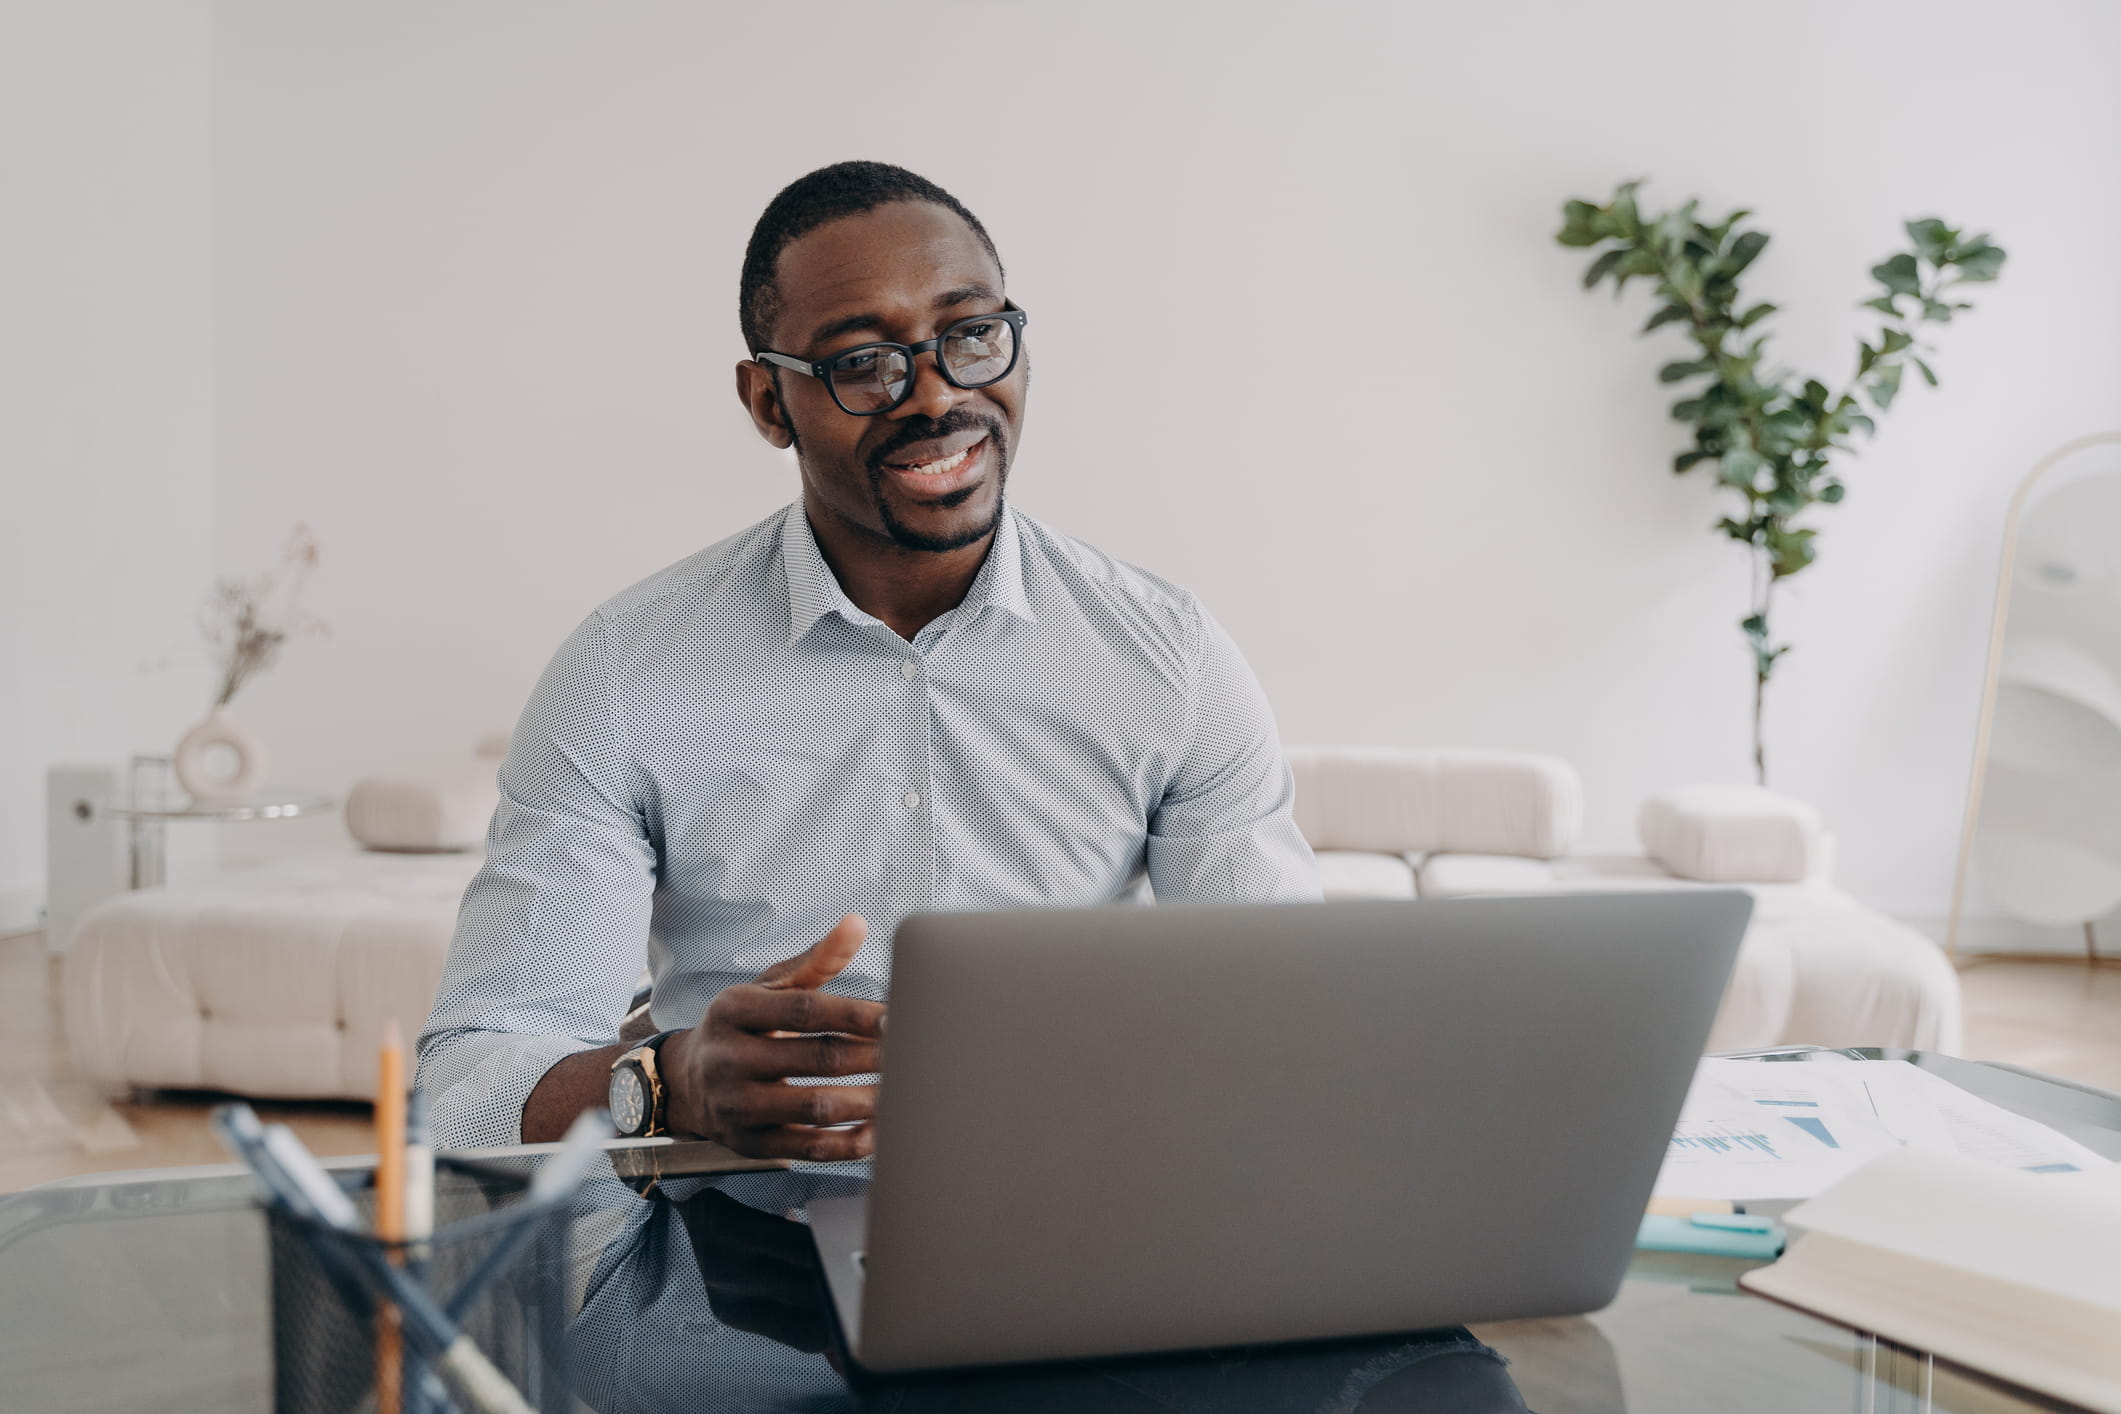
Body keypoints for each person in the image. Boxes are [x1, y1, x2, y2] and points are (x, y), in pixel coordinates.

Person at [415, 160, 1318, 1157]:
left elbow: (1290, 1026)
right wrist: (670, 1080)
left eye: (971, 335)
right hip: (736, 1244)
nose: (935, 397)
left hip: (1082, 1210)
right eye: (862, 362)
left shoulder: (1169, 656)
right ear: (768, 402)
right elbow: (465, 1088)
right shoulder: (623, 672)